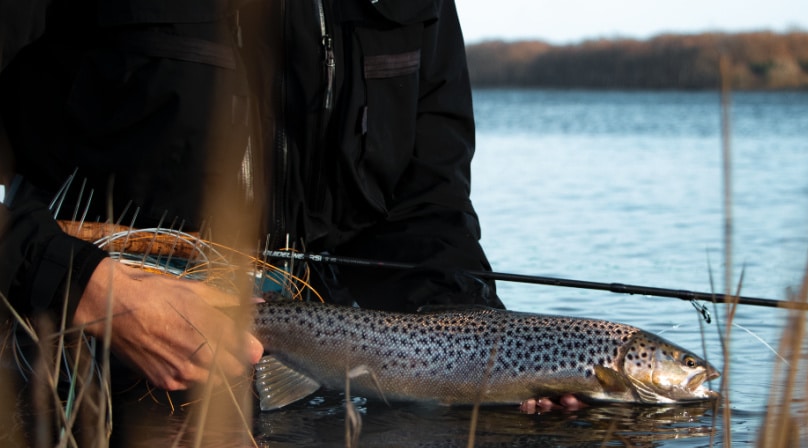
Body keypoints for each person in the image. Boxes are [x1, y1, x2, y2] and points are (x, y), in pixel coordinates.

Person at [0, 0, 503, 392]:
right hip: (71, 381)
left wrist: (493, 351)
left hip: (322, 405)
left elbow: (429, 209)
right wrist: (89, 291)